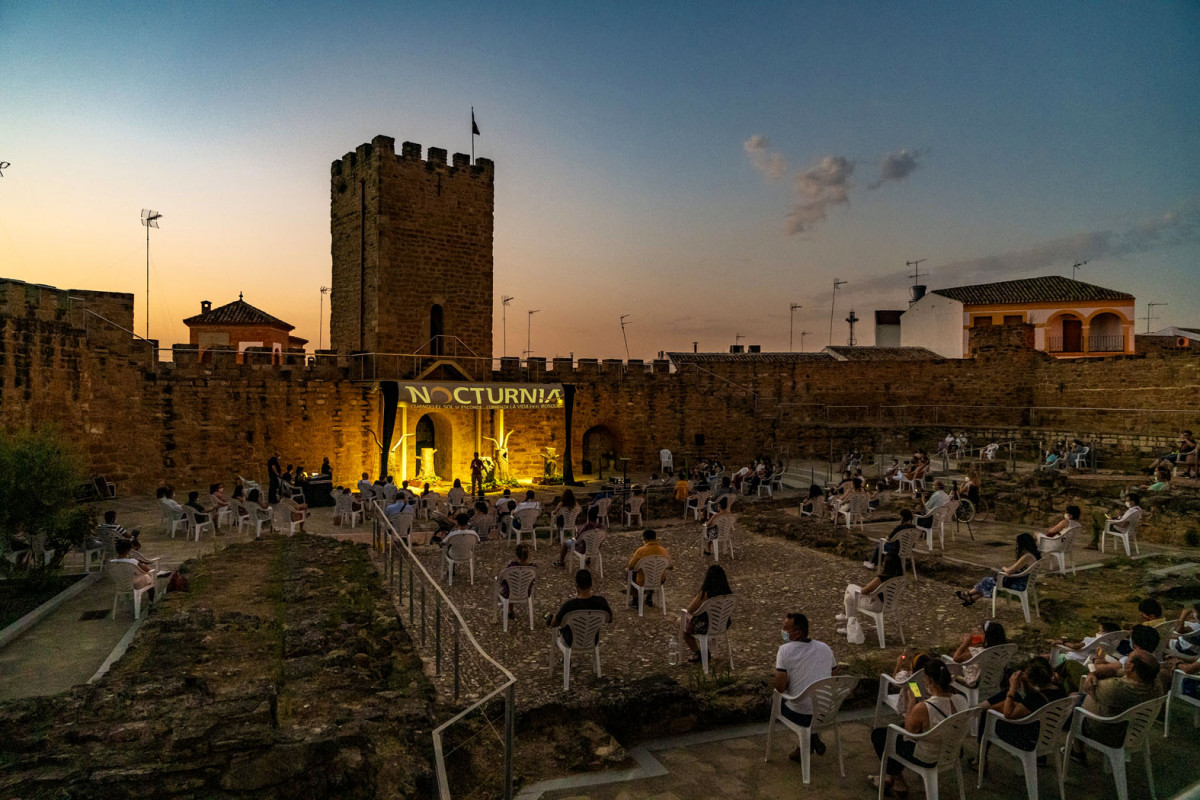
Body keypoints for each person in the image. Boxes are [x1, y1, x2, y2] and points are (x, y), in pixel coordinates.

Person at [869, 659, 967, 796]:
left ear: (928, 680)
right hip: (953, 751)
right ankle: (890, 777)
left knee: (880, 735)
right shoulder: (962, 700)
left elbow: (907, 734)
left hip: (928, 756)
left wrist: (912, 702)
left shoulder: (923, 708)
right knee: (902, 729)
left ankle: (898, 780)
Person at [1075, 650, 1164, 756]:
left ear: (1131, 667)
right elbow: (1115, 671)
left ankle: (1077, 752)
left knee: (1073, 699)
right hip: (1131, 730)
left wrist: (1091, 675)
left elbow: (1087, 686)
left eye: (1128, 658)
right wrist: (1094, 673)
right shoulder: (1155, 685)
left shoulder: (1115, 688)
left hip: (1105, 732)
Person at [774, 612, 837, 762]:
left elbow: (779, 687)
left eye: (786, 629)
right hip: (826, 713)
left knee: (776, 701)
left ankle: (806, 742)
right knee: (809, 701)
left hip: (802, 715)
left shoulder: (785, 651)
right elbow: (833, 674)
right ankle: (811, 738)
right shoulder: (825, 648)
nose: (783, 632)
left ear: (797, 633)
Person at [978, 656, 1067, 750]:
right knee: (1009, 697)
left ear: (1031, 680)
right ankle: (982, 707)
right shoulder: (1060, 689)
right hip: (1047, 734)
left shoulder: (1036, 698)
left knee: (987, 714)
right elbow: (1031, 700)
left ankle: (980, 757)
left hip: (1028, 740)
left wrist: (1012, 688)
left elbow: (1008, 714)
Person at [955, 534, 1040, 607]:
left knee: (987, 581)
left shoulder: (1026, 557)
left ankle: (968, 594)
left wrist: (1003, 568)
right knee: (990, 583)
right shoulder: (1032, 556)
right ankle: (971, 599)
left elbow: (1009, 571)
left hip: (1018, 584)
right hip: (1023, 582)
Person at [838, 554, 902, 640]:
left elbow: (864, 591)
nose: (882, 563)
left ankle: (849, 624)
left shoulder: (881, 578)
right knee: (849, 596)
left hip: (876, 605)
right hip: (891, 605)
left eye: (884, 562)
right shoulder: (900, 579)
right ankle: (845, 616)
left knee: (849, 591)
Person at [545, 569, 613, 647]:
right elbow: (609, 619)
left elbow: (554, 624)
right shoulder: (601, 602)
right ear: (591, 585)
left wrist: (554, 617)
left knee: (553, 619)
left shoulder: (569, 606)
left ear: (577, 585)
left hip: (570, 641)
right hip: (593, 640)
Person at [679, 564, 733, 663]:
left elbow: (690, 609)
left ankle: (699, 653)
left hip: (706, 626)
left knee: (682, 623)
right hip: (723, 624)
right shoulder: (729, 594)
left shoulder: (705, 594)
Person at [626, 529, 672, 608]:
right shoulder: (663, 550)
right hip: (659, 580)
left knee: (629, 573)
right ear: (655, 538)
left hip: (642, 580)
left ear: (645, 539)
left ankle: (635, 600)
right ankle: (649, 598)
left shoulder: (641, 551)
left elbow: (631, 566)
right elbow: (671, 566)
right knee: (653, 573)